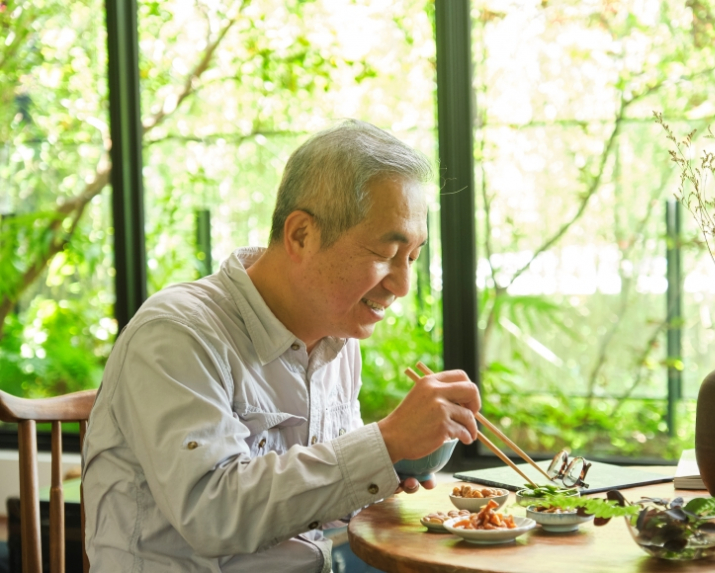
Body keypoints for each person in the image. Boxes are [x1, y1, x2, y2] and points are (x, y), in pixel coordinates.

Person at [82, 120, 481, 572]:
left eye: (412, 257)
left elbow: (312, 501)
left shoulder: (337, 340)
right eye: (385, 254)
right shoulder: (177, 334)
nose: (403, 285)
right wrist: (385, 442)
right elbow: (214, 513)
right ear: (301, 236)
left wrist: (391, 467)